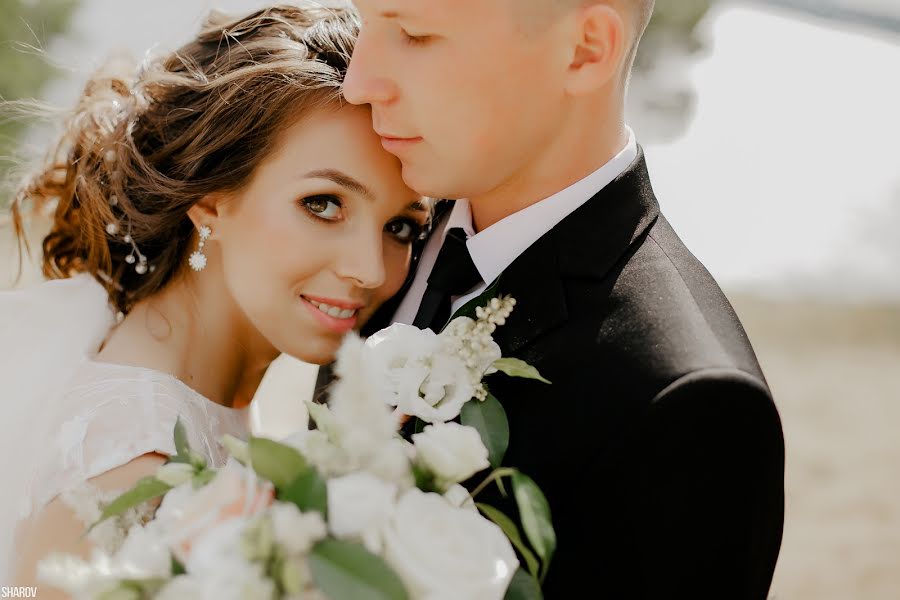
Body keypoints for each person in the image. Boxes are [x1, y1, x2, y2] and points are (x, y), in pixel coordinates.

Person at [344, 0, 785, 597]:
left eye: (416, 35)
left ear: (584, 50)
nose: (356, 84)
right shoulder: (380, 228)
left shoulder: (688, 404)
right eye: (362, 22)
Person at [0, 5, 426, 590]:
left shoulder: (203, 396)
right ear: (210, 200)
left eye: (401, 227)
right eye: (323, 203)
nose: (369, 270)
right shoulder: (126, 475)